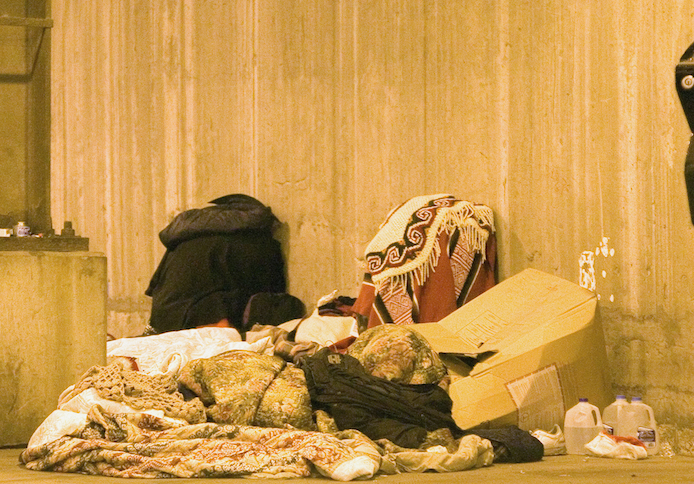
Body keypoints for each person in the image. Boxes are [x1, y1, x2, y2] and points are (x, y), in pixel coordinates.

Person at [144, 194, 287, 334]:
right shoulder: (258, 243)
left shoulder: (186, 239)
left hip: (164, 319)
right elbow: (270, 294)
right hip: (201, 321)